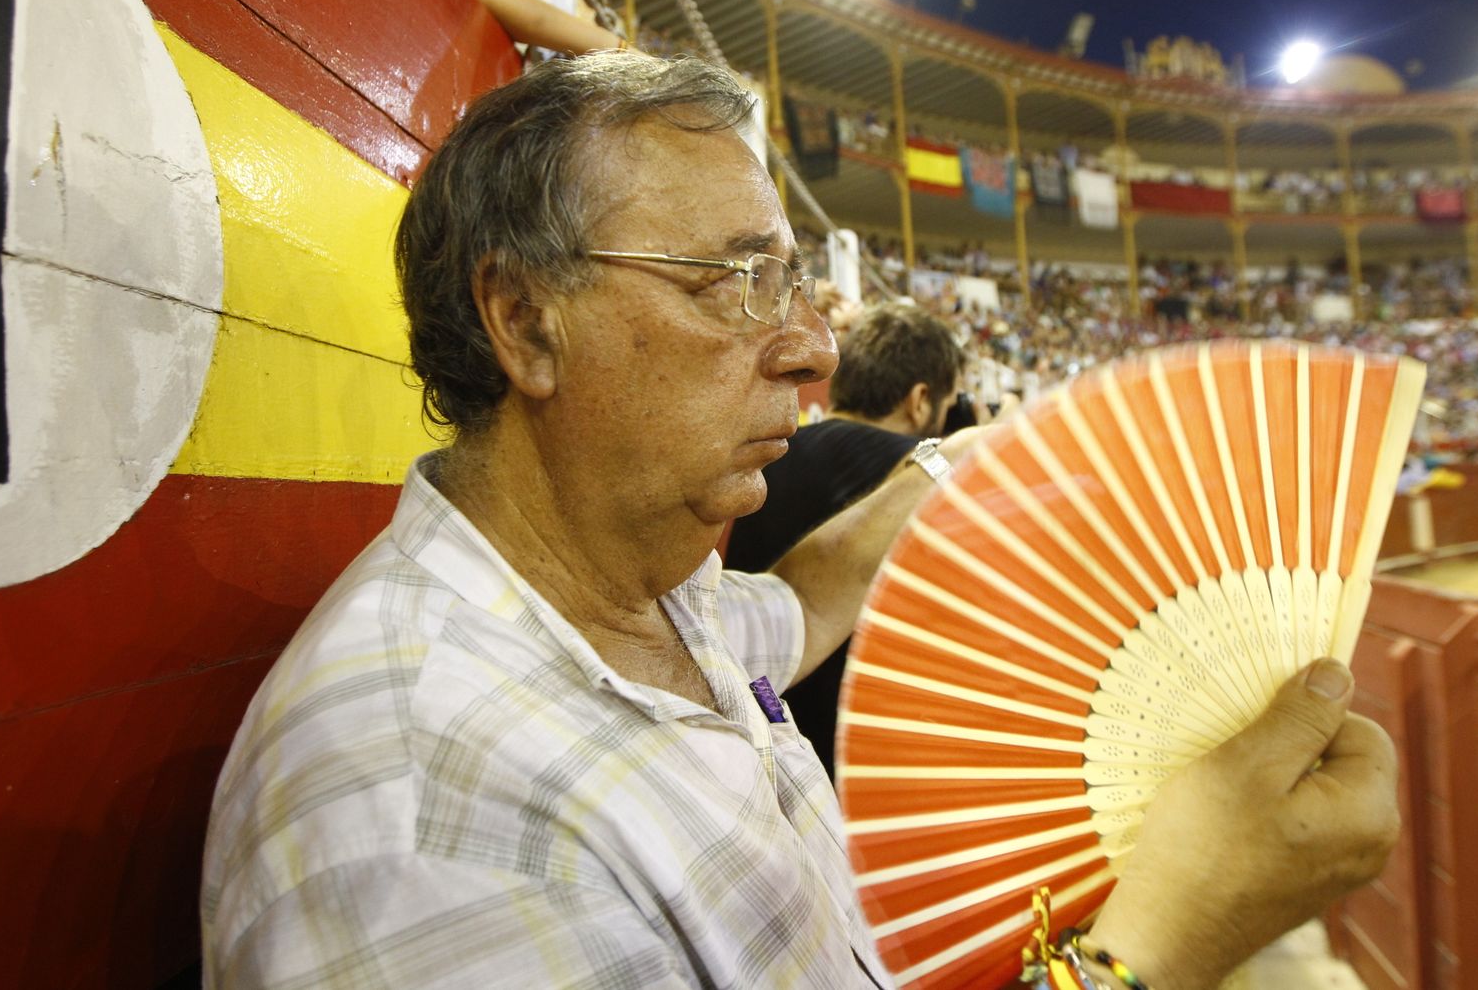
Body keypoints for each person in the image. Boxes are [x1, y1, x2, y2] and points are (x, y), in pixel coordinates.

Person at [201, 52, 1398, 990]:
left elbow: (807, 601)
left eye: (792, 280)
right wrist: (1163, 943)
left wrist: (941, 465)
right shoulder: (415, 819)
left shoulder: (638, 586)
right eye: (732, 281)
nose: (815, 349)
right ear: (524, 322)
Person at [725, 301, 964, 775]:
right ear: (920, 400)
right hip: (874, 769)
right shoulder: (932, 483)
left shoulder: (759, 461)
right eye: (950, 403)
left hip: (756, 748)